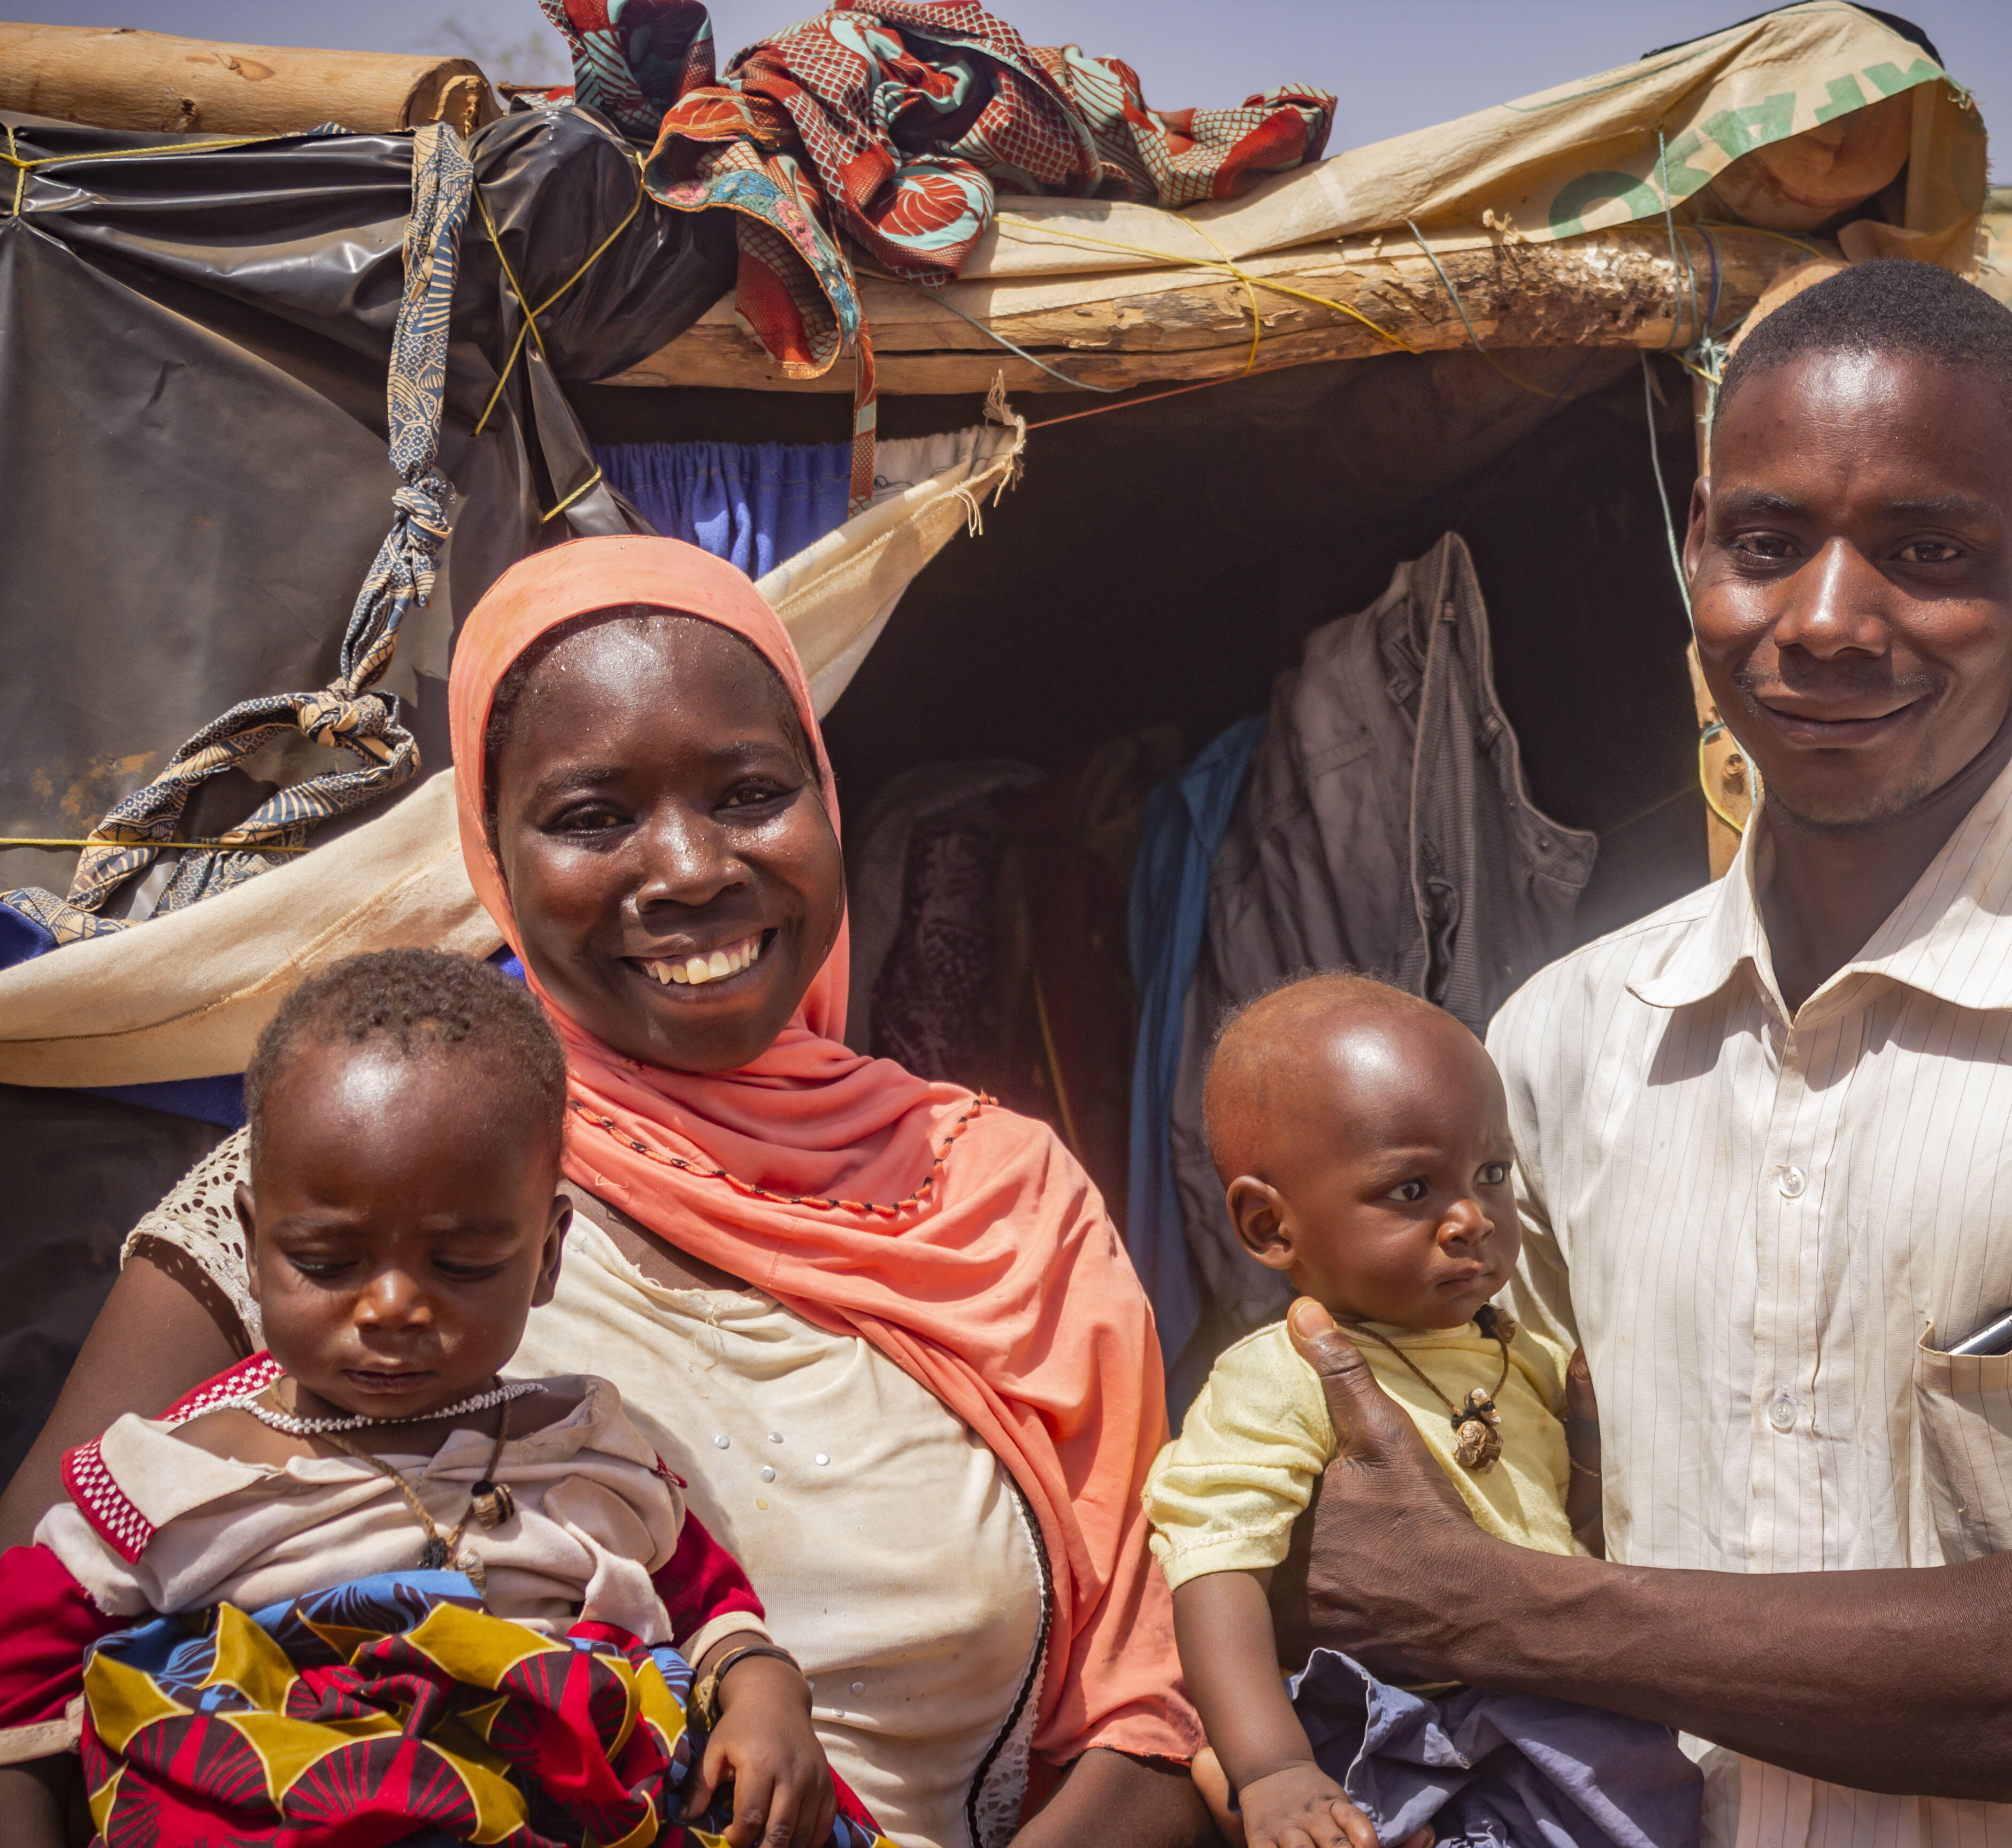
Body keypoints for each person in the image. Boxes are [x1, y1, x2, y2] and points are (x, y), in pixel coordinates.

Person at [1264, 257, 2012, 1845]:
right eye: (1766, 543)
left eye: (1925, 550)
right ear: (1696, 560)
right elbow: (1463, 1472)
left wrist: (1493, 1611)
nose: (1823, 621)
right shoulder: (1562, 1043)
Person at [0, 537, 1209, 1848]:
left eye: (750, 792)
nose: (689, 868)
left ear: (827, 798)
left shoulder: (1003, 1201)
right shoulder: (348, 1183)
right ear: (492, 862)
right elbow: (27, 1653)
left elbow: (1144, 1712)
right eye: (592, 817)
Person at [0, 946, 855, 1848]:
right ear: (252, 1244)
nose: (392, 1309)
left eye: (461, 1265)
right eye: (327, 1263)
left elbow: (705, 1602)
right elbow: (15, 1668)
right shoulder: (171, 1480)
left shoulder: (582, 1447)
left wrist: (762, 1690)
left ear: (547, 1255)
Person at [1144, 973, 1699, 1848]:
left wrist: (1583, 1438)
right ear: (1267, 1227)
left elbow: (1558, 1530)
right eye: (1412, 1191)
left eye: (1490, 1173)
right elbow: (1214, 1566)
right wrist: (1271, 1767)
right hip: (1392, 1733)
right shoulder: (1287, 1375)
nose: (1471, 1218)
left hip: (1549, 1712)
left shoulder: (1521, 1352)